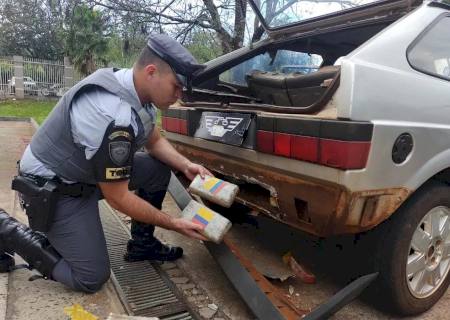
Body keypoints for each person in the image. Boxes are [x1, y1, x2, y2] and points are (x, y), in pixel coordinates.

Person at [0, 34, 211, 293]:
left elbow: (154, 141)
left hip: (85, 174)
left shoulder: (136, 90)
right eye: (176, 87)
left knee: (157, 169)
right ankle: (6, 228)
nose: (178, 96)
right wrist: (173, 222)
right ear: (152, 72)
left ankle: (142, 245)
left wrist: (185, 164)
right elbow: (118, 198)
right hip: (53, 187)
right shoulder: (112, 115)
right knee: (90, 277)